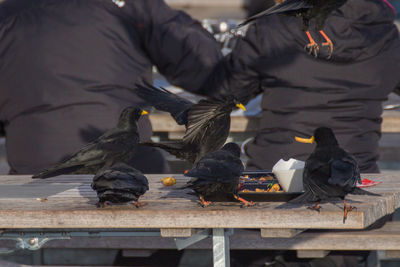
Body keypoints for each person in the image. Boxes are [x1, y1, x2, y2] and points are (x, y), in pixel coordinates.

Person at [0, 0, 222, 174]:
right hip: (131, 173)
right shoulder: (131, 8)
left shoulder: (9, 14)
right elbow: (204, 67)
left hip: (36, 173)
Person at [205, 0, 400, 173]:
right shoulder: (387, 34)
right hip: (353, 176)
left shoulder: (272, 26)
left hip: (277, 173)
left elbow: (229, 91)